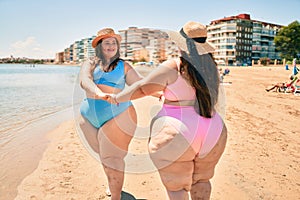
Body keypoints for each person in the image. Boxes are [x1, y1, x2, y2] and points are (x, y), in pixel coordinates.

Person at [107, 21, 227, 200]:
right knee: (202, 181)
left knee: (177, 187)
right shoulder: (211, 67)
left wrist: (118, 98)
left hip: (179, 130)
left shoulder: (175, 66)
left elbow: (142, 88)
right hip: (213, 129)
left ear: (182, 45)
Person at [78, 28, 143, 200]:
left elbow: (141, 85)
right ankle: (112, 185)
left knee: (113, 159)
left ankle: (115, 197)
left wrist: (160, 92)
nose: (111, 45)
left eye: (114, 42)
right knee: (105, 157)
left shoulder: (124, 66)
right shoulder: (90, 63)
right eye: (107, 42)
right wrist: (98, 93)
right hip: (89, 118)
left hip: (118, 115)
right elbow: (85, 80)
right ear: (99, 46)